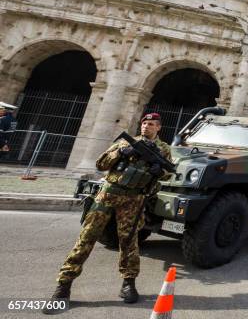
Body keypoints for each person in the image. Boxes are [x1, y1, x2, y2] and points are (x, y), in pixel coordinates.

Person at [43, 113, 172, 314]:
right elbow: (100, 163)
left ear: (159, 128)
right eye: (145, 123)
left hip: (134, 199)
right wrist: (120, 154)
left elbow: (169, 172)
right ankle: (63, 286)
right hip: (109, 194)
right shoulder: (125, 142)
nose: (147, 127)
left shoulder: (163, 149)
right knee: (87, 237)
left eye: (152, 124)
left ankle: (128, 283)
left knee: (129, 240)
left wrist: (159, 171)